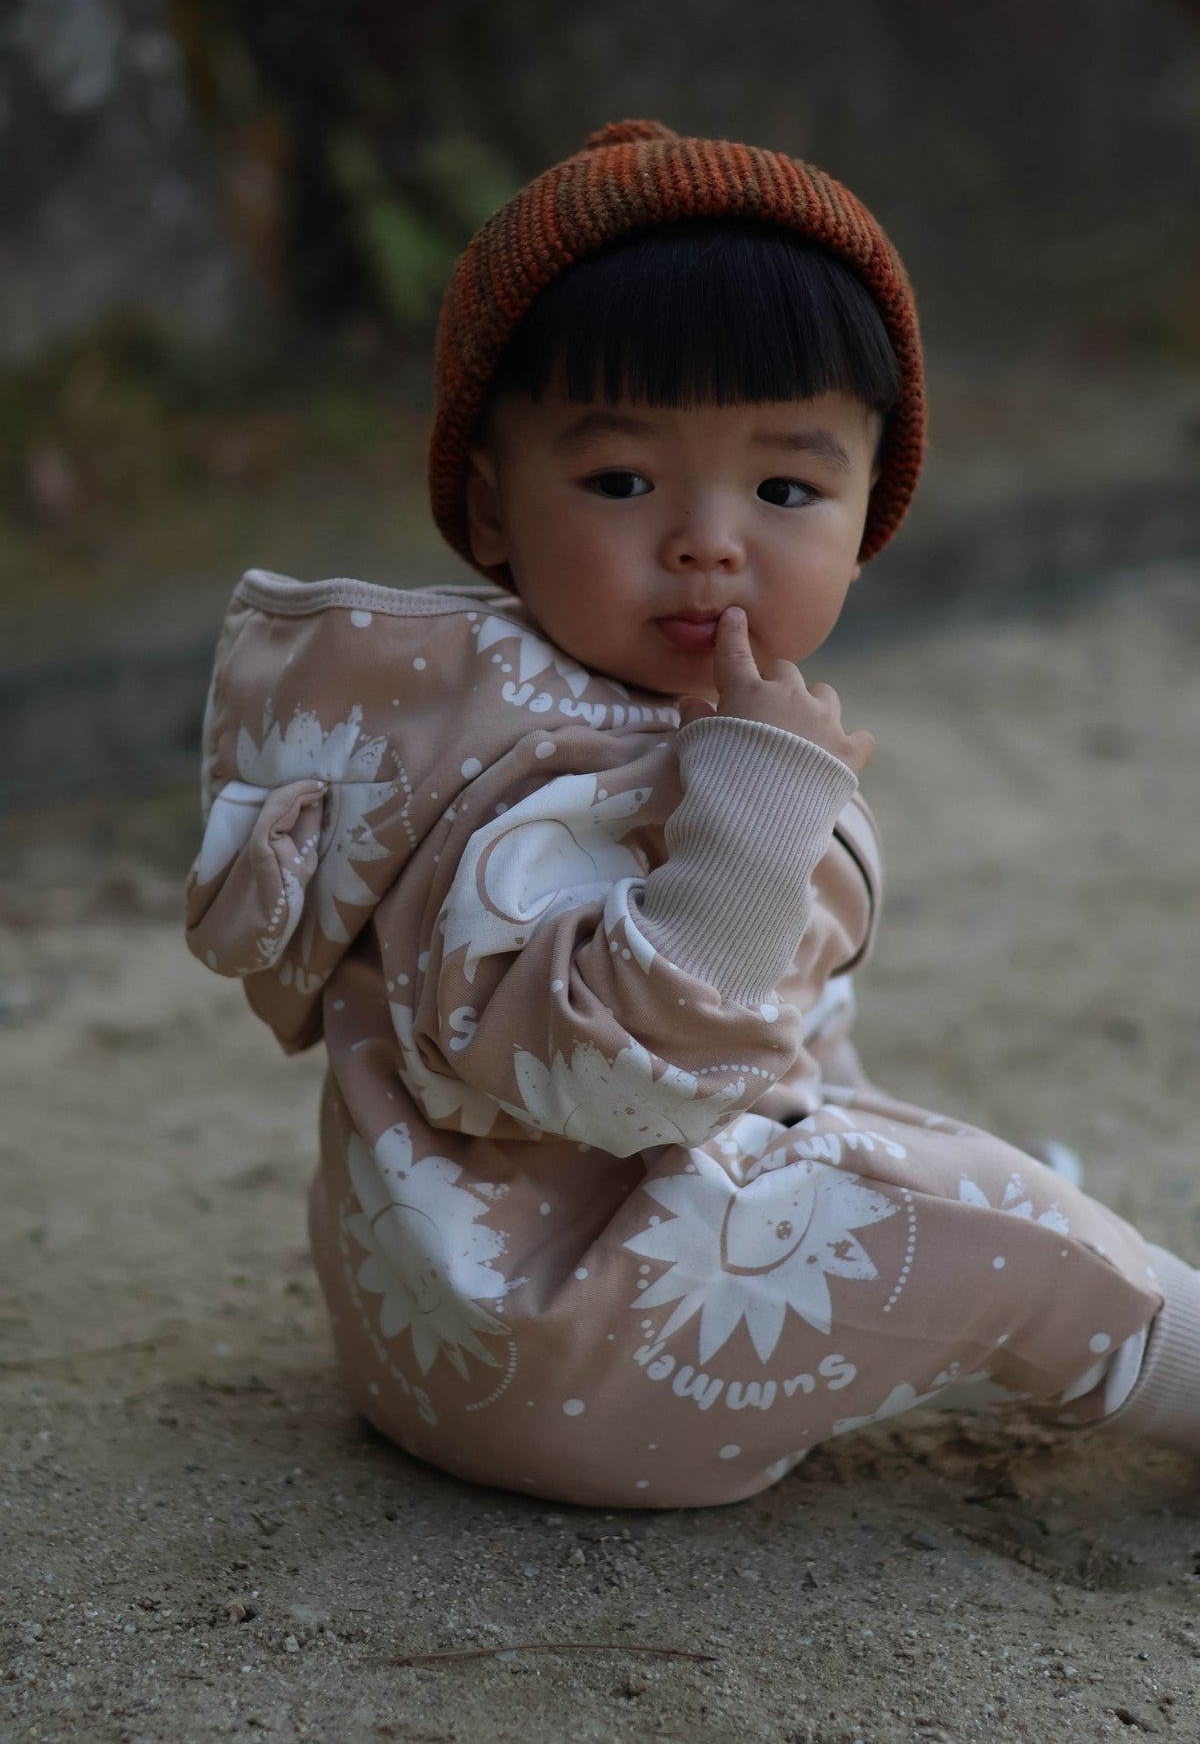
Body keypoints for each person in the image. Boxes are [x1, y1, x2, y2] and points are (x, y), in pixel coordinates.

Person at [185, 120, 1198, 1507]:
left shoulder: (613, 719)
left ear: (866, 515)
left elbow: (772, 1040)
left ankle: (966, 1232)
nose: (709, 539)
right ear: (491, 510)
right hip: (566, 1335)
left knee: (929, 1179)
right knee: (1001, 1239)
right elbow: (611, 1076)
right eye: (620, 480)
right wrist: (756, 823)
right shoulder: (522, 775)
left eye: (786, 486)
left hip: (475, 1334)